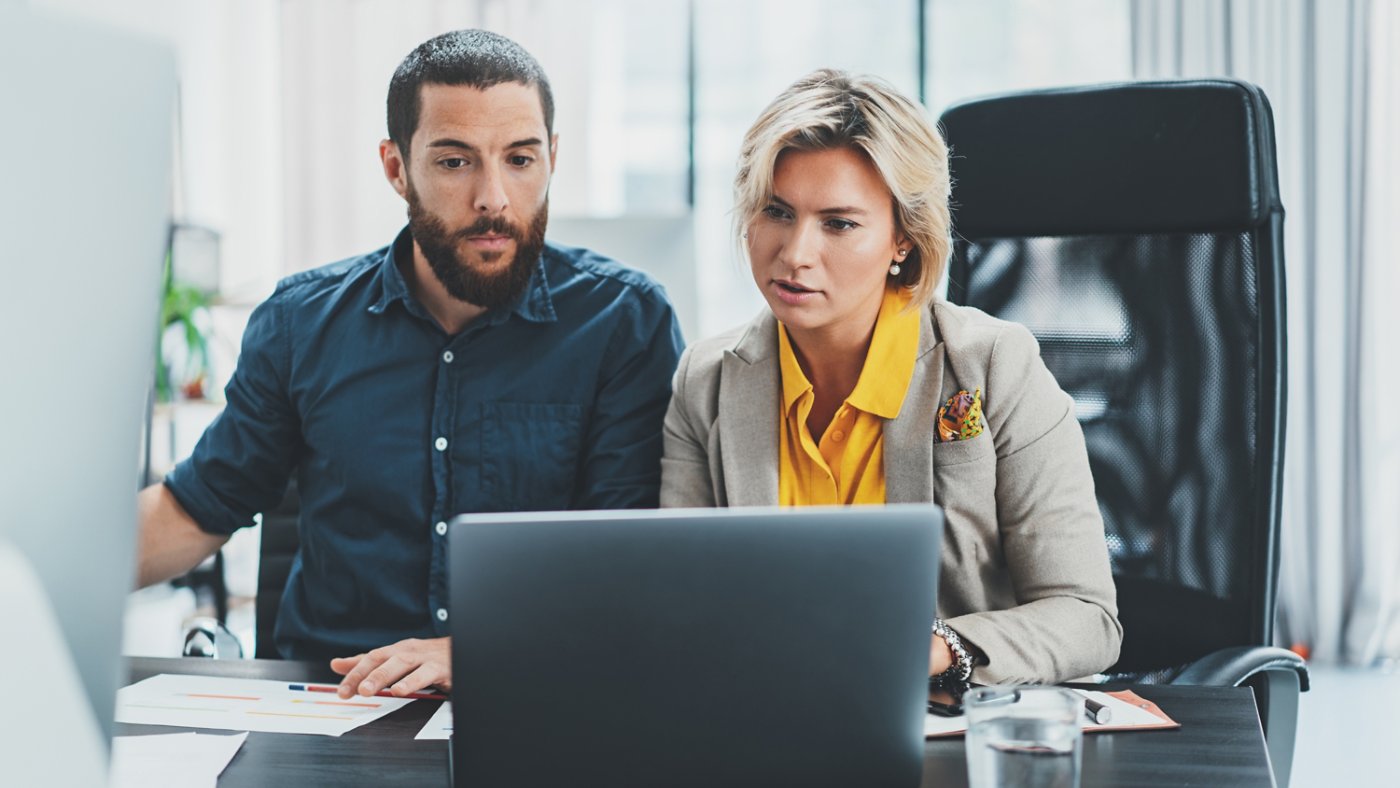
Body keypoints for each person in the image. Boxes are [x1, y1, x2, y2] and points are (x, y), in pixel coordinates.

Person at [136, 30, 684, 699]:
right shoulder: (300, 323)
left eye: (519, 159)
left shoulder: (624, 324)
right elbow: (195, 511)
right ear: (397, 168)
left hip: (536, 696)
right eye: (455, 163)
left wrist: (478, 649)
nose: (493, 199)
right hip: (331, 705)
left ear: (553, 158)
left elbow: (624, 568)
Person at [659, 69, 1121, 685]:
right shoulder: (706, 381)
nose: (795, 252)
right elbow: (682, 607)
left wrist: (934, 649)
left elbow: (1086, 618)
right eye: (777, 211)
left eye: (839, 223)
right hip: (769, 714)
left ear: (903, 239)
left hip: (945, 728)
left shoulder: (995, 366)